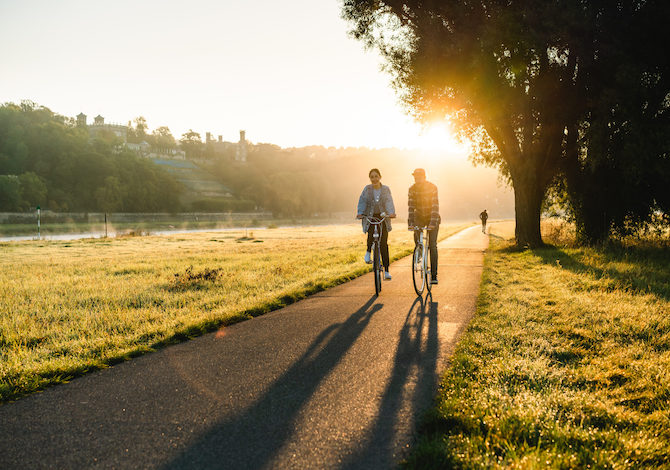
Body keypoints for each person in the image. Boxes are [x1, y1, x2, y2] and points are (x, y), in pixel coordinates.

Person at [356, 168, 396, 280]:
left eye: (376, 176)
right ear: (370, 178)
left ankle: (387, 271)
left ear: (380, 177)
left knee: (383, 244)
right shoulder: (367, 189)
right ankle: (368, 252)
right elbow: (362, 201)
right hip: (370, 216)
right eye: (372, 177)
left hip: (383, 217)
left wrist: (391, 212)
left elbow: (389, 201)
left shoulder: (385, 189)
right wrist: (360, 213)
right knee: (371, 233)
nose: (374, 179)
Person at [408, 168, 440, 284]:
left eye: (419, 177)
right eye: (415, 177)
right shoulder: (412, 189)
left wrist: (432, 223)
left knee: (432, 245)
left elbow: (435, 206)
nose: (417, 179)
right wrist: (410, 223)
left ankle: (434, 275)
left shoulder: (432, 187)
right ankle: (419, 250)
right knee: (417, 237)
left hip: (433, 216)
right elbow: (411, 207)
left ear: (424, 177)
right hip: (419, 217)